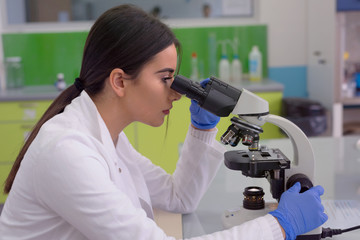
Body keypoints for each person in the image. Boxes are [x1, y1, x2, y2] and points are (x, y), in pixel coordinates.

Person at [0, 4, 327, 240]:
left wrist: (202, 130)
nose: (176, 93)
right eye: (165, 78)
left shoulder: (110, 138)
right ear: (119, 81)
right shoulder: (67, 152)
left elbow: (179, 198)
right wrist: (280, 226)